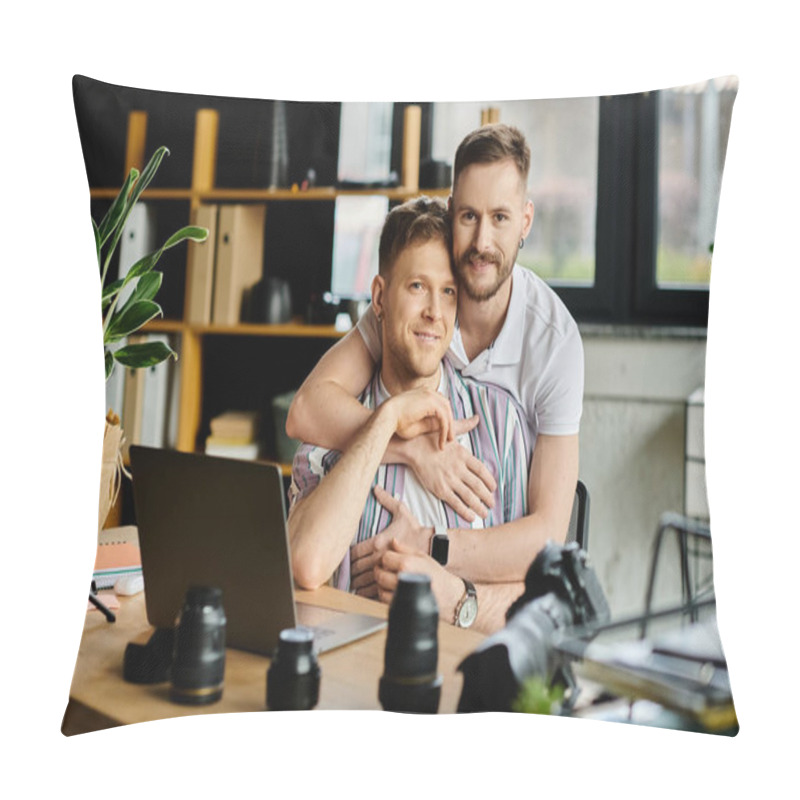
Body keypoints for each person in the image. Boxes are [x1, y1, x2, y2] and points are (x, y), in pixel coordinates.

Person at [287, 123, 584, 591]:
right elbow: (306, 409)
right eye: (468, 217)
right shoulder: (427, 291)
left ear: (525, 221)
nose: (482, 242)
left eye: (500, 218)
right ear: (452, 214)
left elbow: (546, 539)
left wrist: (428, 549)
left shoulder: (548, 353)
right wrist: (405, 440)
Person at [288, 197, 530, 634]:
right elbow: (305, 564)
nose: (434, 313)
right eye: (417, 286)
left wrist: (454, 597)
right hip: (352, 681)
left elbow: (536, 598)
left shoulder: (501, 423)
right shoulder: (333, 423)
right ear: (379, 298)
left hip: (463, 683)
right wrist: (386, 419)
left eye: (448, 292)